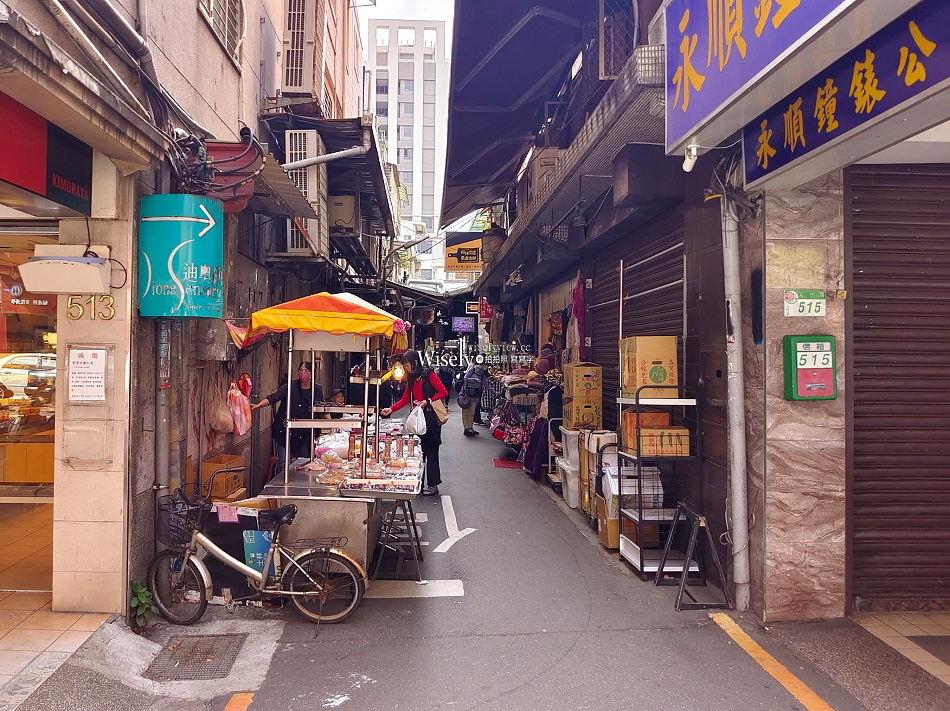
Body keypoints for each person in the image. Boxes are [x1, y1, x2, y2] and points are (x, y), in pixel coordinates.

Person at [380, 350, 448, 496]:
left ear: (415, 362)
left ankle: (433, 484)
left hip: (430, 418)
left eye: (407, 364)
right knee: (418, 452)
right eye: (404, 365)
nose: (405, 368)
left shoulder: (430, 376)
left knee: (431, 450)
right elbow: (405, 399)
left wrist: (427, 401)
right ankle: (419, 482)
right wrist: (390, 409)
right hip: (417, 418)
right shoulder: (411, 379)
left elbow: (443, 392)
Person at [251, 361, 324, 472]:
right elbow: (273, 398)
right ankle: (282, 485)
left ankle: (299, 486)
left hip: (305, 433)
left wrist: (331, 424)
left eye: (306, 371)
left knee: (304, 462)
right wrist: (258, 405)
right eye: (300, 370)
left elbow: (322, 407)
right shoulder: (290, 387)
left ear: (312, 373)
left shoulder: (317, 389)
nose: (302, 373)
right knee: (283, 464)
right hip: (285, 431)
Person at [460, 362, 492, 437]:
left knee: (472, 412)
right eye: (485, 365)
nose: (486, 367)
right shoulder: (472, 370)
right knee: (466, 411)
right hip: (467, 394)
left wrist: (494, 392)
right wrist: (474, 380)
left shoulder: (482, 374)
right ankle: (466, 428)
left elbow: (486, 385)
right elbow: (465, 378)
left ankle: (470, 428)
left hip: (475, 395)